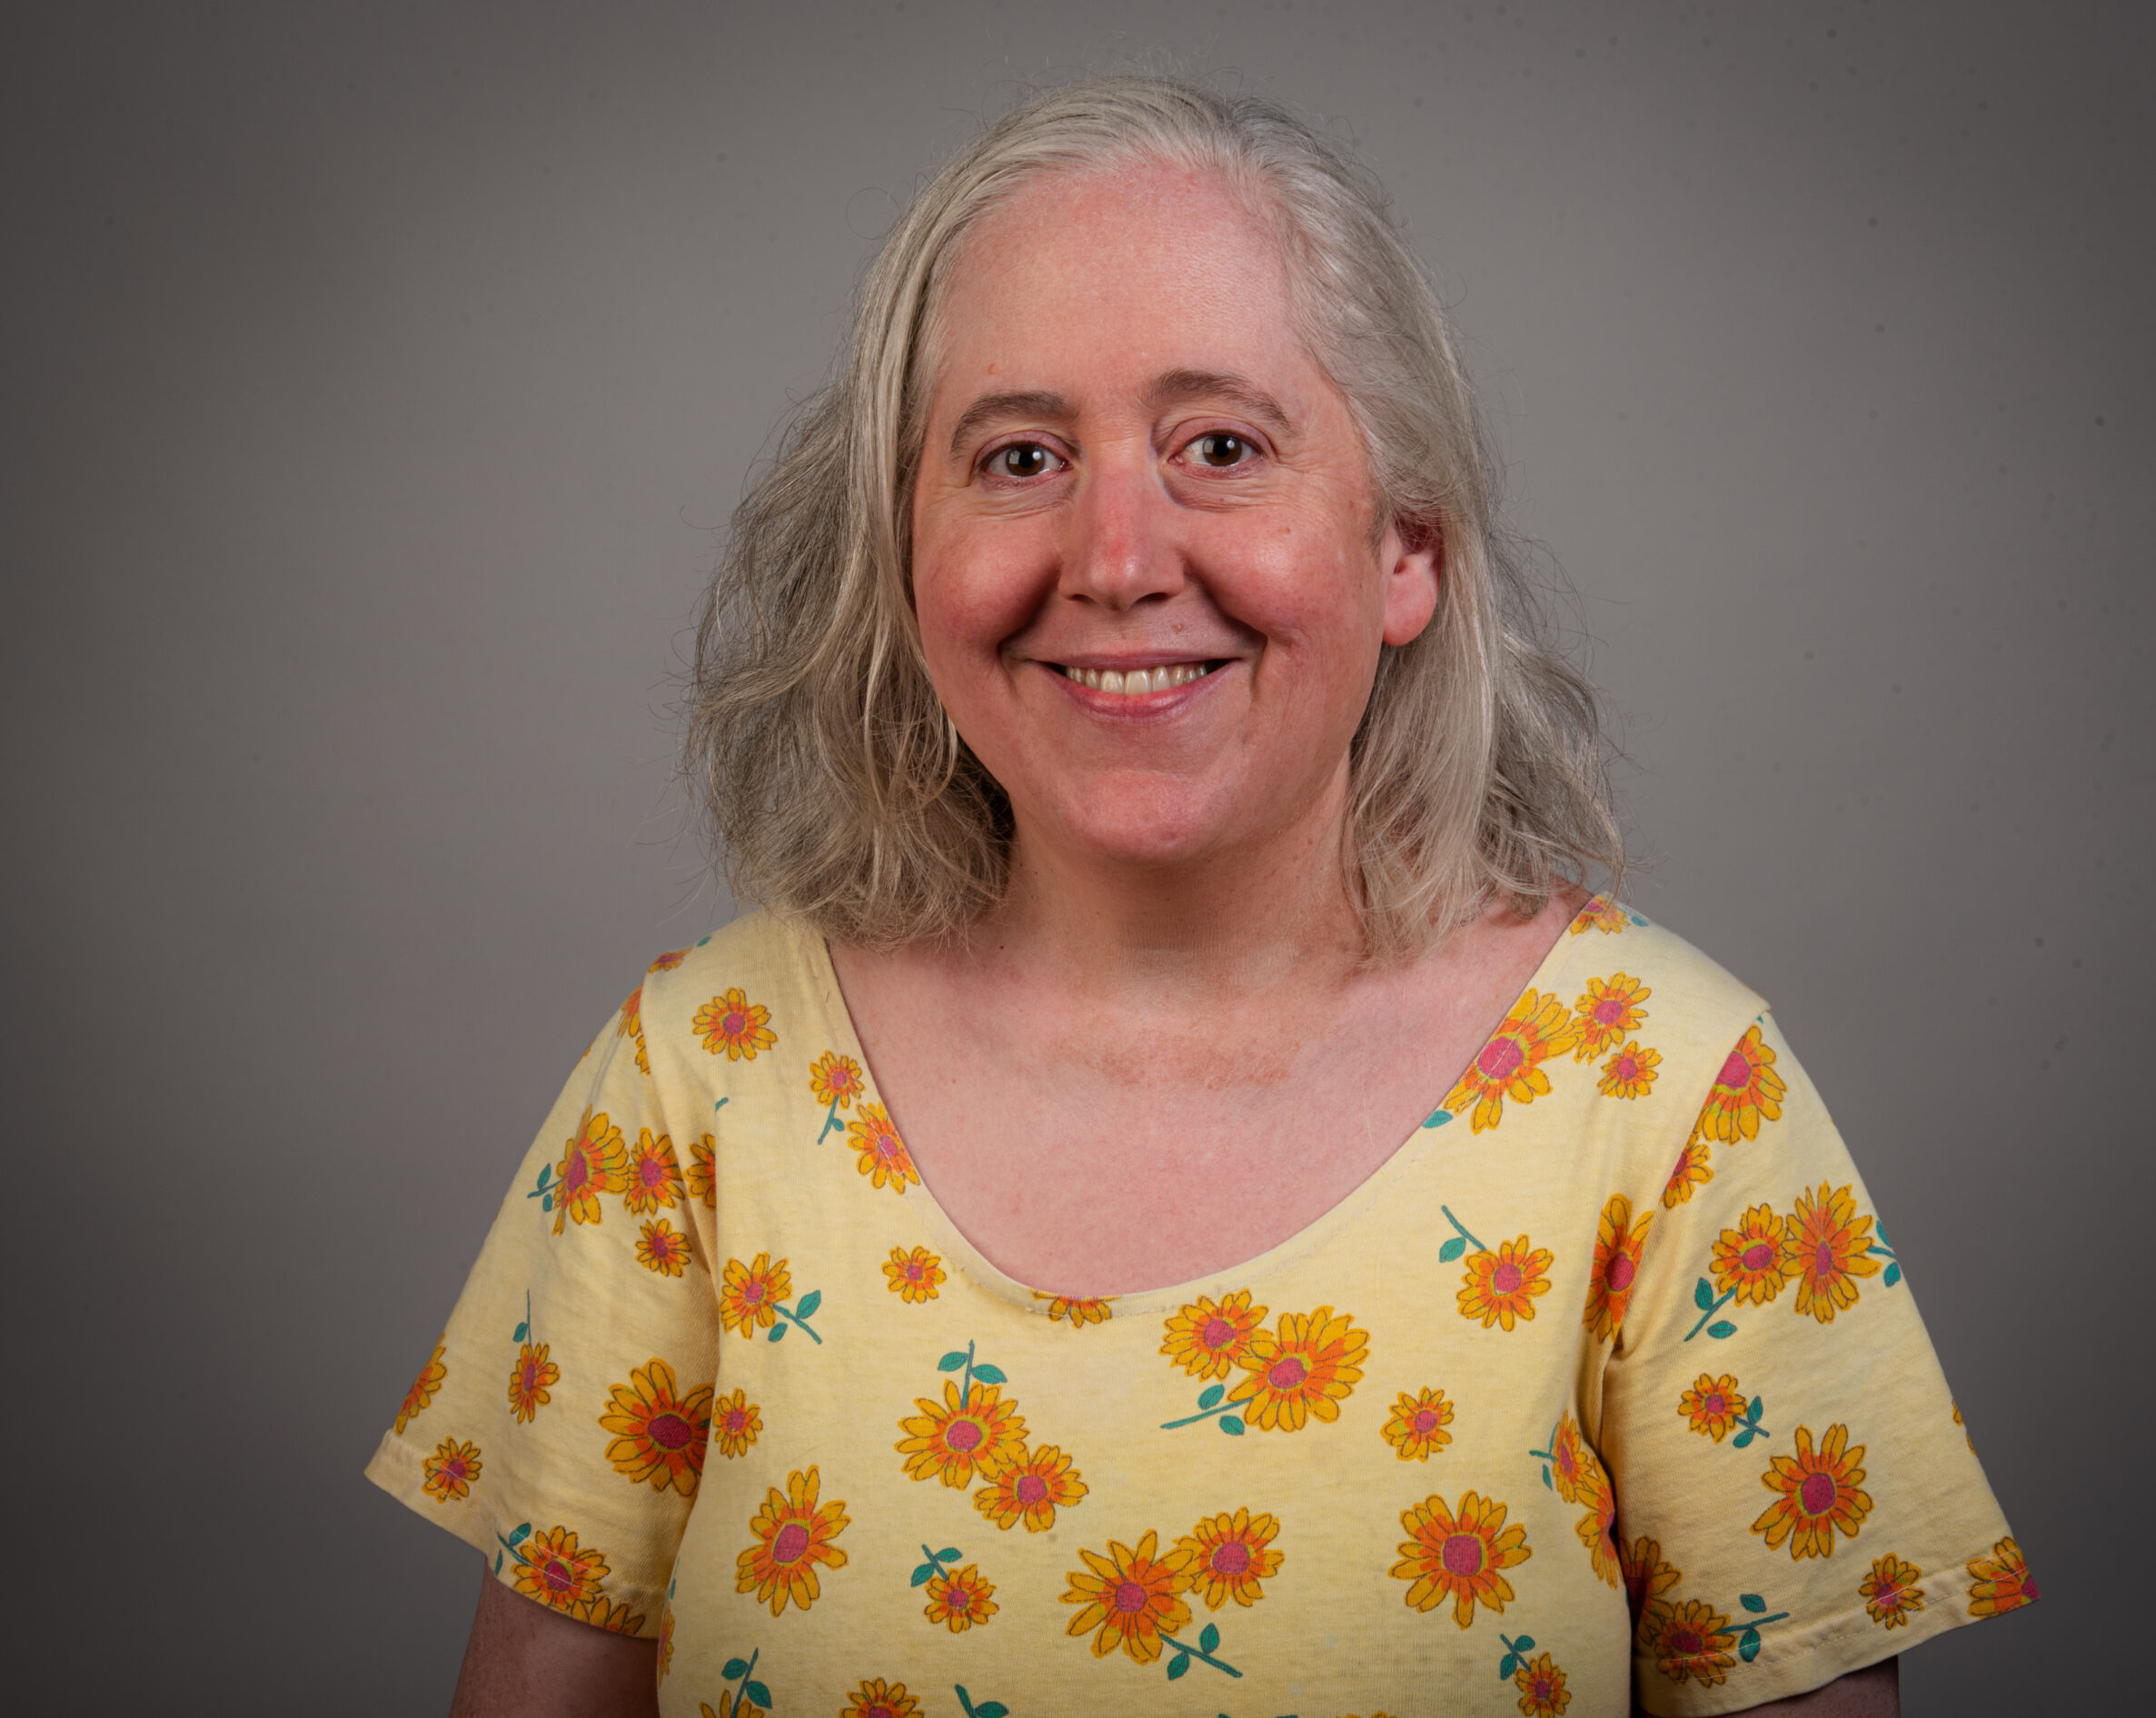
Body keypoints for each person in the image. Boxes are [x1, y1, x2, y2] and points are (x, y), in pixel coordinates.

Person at [370, 78, 2033, 1718]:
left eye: (1221, 447)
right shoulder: (700, 1082)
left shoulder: (1669, 1103)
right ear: (905, 554)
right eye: (1020, 456)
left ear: (1406, 550)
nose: (1115, 558)